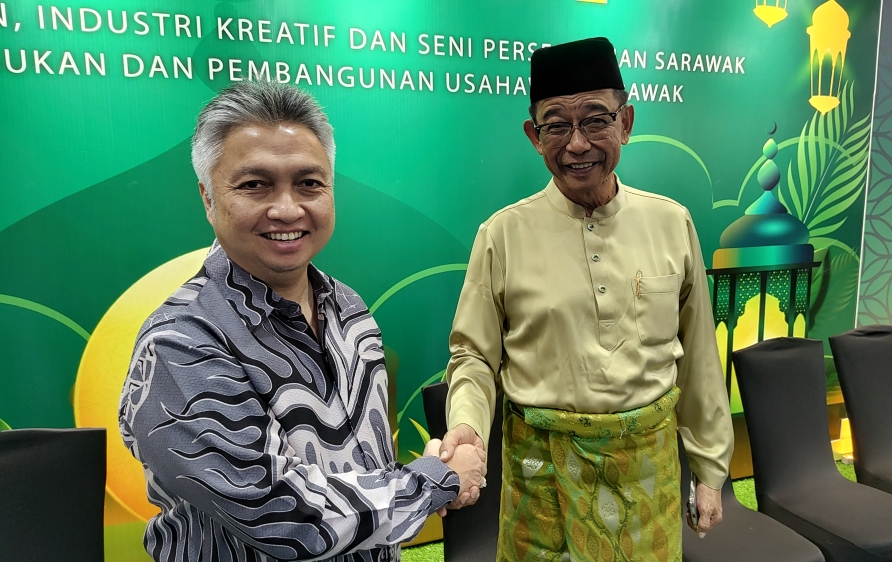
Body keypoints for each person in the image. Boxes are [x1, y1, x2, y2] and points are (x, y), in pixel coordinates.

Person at [118, 81, 485, 562]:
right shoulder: (182, 342)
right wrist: (439, 479)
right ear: (208, 197)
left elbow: (363, 466)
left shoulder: (349, 309)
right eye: (255, 185)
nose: (288, 209)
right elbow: (282, 517)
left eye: (309, 183)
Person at [440, 37, 735, 561]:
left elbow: (700, 358)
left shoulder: (672, 222)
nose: (577, 144)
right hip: (542, 478)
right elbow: (473, 356)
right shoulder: (501, 235)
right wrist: (465, 425)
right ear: (535, 136)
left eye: (595, 120)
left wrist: (711, 470)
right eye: (557, 125)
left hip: (648, 472)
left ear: (626, 122)